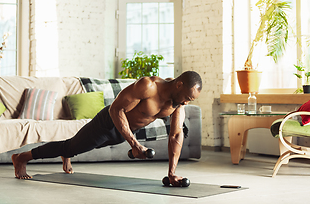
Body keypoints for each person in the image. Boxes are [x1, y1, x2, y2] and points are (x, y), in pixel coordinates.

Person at [12, 71, 202, 186]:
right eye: (187, 97)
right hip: (109, 122)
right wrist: (134, 144)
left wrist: (171, 173)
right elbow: (116, 109)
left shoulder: (178, 103)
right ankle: (22, 158)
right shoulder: (149, 86)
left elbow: (176, 135)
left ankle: (69, 151)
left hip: (125, 132)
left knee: (81, 145)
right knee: (70, 147)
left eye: (190, 100)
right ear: (178, 85)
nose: (186, 102)